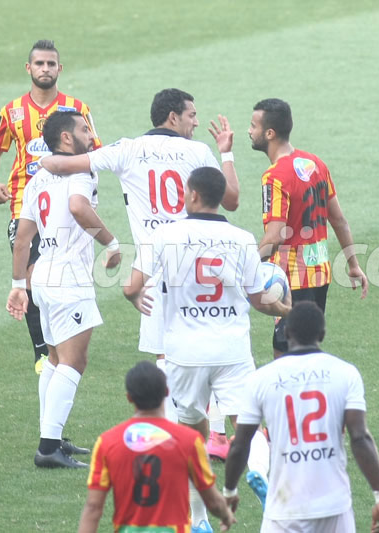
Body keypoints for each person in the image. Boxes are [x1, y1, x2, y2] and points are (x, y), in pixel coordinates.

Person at [39, 87, 239, 446]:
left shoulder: (126, 149)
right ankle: (216, 435)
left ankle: (172, 436)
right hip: (200, 260)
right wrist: (226, 153)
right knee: (213, 346)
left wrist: (45, 161)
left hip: (153, 265)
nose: (196, 121)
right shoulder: (198, 151)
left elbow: (61, 164)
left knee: (166, 354)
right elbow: (232, 200)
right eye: (192, 115)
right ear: (173, 117)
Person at [123, 167, 290, 532]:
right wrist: (282, 309)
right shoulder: (244, 239)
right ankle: (258, 470)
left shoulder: (164, 235)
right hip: (232, 348)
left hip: (184, 351)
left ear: (194, 195)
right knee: (246, 423)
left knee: (190, 436)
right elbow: (259, 298)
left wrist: (136, 298)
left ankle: (199, 521)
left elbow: (131, 286)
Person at [6, 111, 120, 468]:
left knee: (55, 361)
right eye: (85, 129)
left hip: (42, 276)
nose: (91, 133)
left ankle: (52, 437)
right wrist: (112, 243)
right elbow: (77, 206)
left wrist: (18, 285)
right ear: (67, 139)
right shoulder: (79, 169)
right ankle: (48, 447)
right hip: (69, 278)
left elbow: (23, 237)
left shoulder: (38, 176)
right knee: (74, 361)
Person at [0, 39, 101, 373]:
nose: (45, 69)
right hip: (25, 205)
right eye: (39, 64)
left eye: (51, 64)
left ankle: (62, 337)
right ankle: (42, 351)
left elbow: (93, 150)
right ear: (29, 68)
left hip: (67, 208)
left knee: (61, 273)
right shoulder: (12, 111)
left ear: (59, 69)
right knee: (32, 274)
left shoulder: (77, 109)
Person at [224, 301, 379, 533]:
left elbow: (240, 445)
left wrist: (229, 491)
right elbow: (360, 438)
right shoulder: (346, 374)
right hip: (334, 508)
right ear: (322, 333)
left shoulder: (261, 380)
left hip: (283, 512)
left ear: (287, 332)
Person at [249, 98, 368, 356]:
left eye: (253, 126)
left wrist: (246, 265)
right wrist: (353, 263)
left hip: (291, 280)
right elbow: (338, 219)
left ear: (270, 133)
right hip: (320, 274)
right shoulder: (315, 164)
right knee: (307, 346)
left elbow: (274, 236)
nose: (250, 131)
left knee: (285, 352)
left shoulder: (274, 177)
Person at [78, 361, 235, 533]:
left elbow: (93, 507)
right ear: (167, 393)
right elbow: (212, 500)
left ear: (129, 397)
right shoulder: (189, 441)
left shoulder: (108, 442)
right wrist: (226, 516)